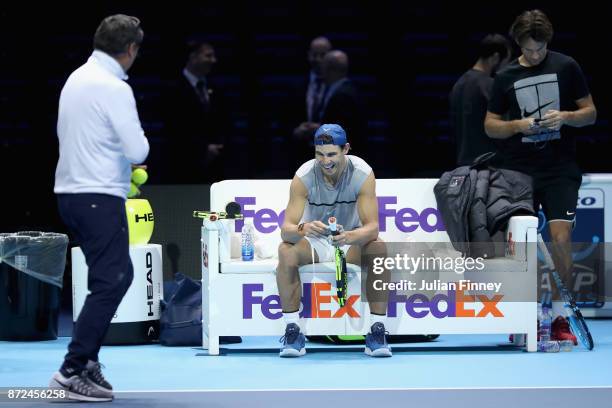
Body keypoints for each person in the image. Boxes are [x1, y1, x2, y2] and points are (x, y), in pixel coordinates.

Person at [50, 15, 149, 401]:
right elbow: (137, 149)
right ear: (130, 49)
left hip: (71, 195)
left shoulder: (76, 77)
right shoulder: (113, 87)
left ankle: (86, 361)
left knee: (113, 277)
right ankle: (73, 369)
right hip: (97, 196)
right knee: (113, 279)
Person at [484, 9, 597, 344]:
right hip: (519, 172)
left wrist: (565, 117)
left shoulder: (566, 66)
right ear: (519, 43)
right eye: (529, 49)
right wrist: (517, 125)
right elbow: (490, 125)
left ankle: (560, 317)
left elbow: (590, 113)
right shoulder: (505, 76)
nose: (535, 54)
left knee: (562, 241)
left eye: (541, 48)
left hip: (560, 169)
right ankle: (527, 317)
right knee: (522, 246)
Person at [276, 124, 390, 357]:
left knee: (378, 248)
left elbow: (372, 229)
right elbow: (286, 231)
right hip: (315, 241)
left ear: (345, 149)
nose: (325, 161)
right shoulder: (304, 176)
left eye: (331, 154)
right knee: (285, 251)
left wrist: (349, 236)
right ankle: (293, 331)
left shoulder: (362, 173)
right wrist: (303, 228)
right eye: (320, 154)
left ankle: (377, 332)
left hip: (350, 239)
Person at [164, 41, 225, 183]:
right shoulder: (173, 88)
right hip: (183, 164)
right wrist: (202, 149)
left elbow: (223, 121)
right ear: (193, 57)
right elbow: (175, 126)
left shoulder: (215, 87)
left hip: (214, 167)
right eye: (208, 56)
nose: (213, 60)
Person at [450, 34, 512, 165]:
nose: (504, 68)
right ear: (495, 58)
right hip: (489, 166)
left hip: (463, 166)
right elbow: (506, 127)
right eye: (505, 62)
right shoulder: (490, 86)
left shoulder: (458, 84)